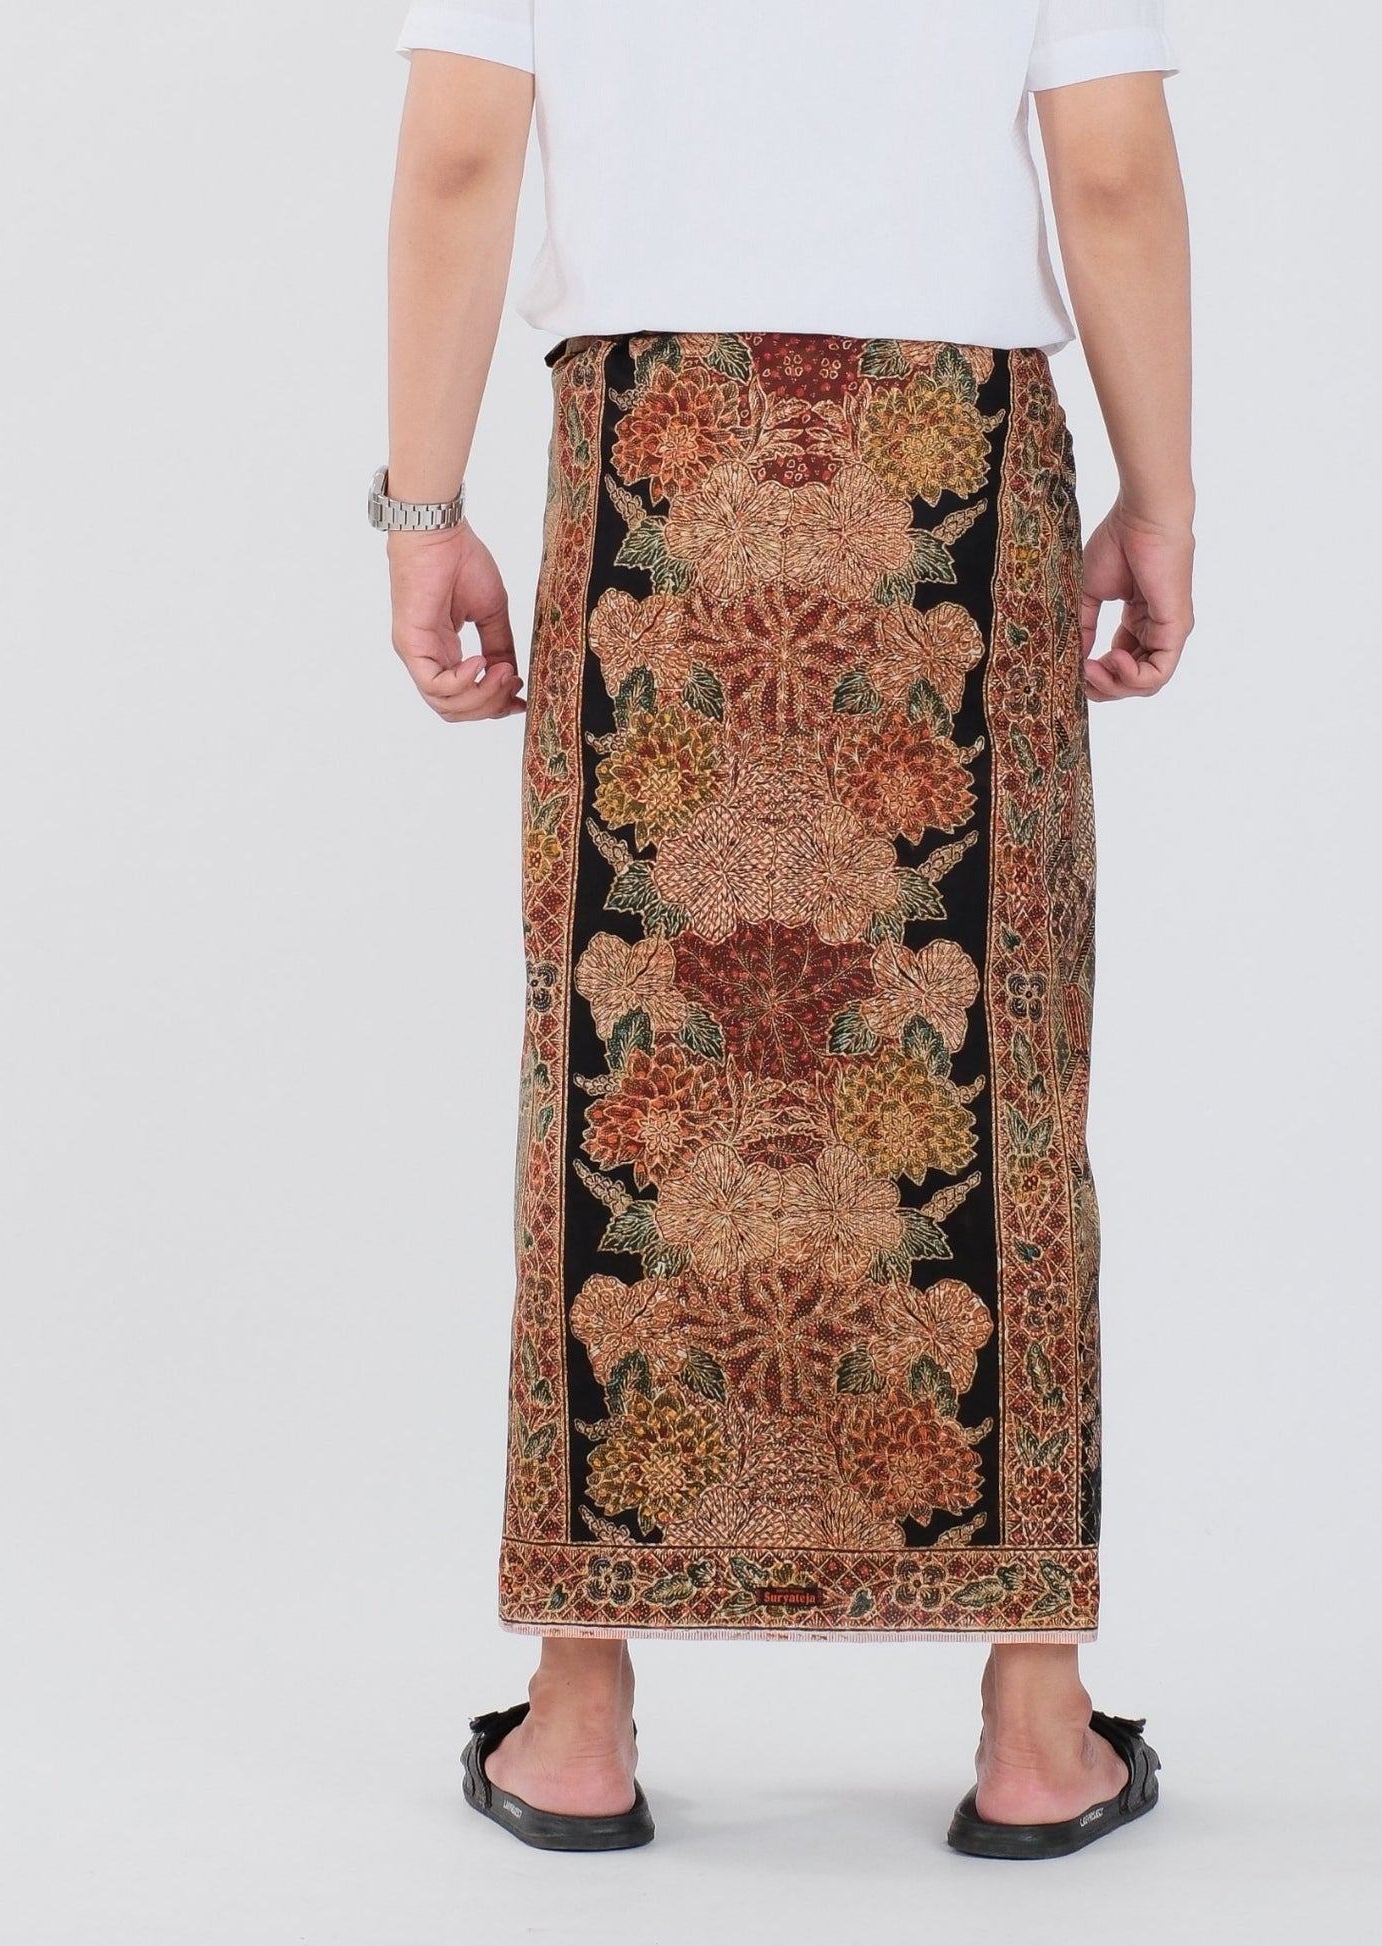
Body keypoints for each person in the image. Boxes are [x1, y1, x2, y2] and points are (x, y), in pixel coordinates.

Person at [374, 0, 1194, 1860]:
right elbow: (1113, 174)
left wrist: (423, 509)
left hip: (655, 450)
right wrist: (1160, 502)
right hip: (951, 454)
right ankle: (1035, 1721)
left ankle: (576, 1713)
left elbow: (459, 150)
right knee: (987, 1041)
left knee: (630, 1046)